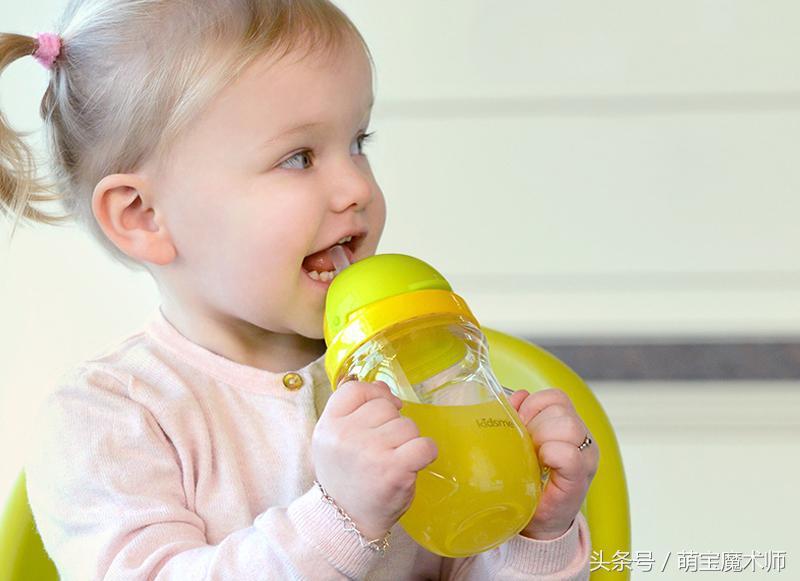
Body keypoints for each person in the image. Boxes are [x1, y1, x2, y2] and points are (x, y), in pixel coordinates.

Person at [0, 1, 599, 578]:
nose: (356, 188)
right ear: (143, 216)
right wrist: (340, 520)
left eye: (358, 143)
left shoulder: (415, 371)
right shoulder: (111, 418)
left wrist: (533, 534)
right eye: (298, 158)